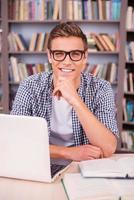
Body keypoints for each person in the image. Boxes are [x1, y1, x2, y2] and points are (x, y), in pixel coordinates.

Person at [11, 22, 119, 165]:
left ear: (85, 57)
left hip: (84, 167)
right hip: (40, 164)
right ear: (50, 56)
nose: (67, 62)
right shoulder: (30, 86)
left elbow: (108, 148)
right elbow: (16, 141)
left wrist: (75, 100)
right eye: (59, 54)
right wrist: (67, 153)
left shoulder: (101, 88)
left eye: (75, 54)